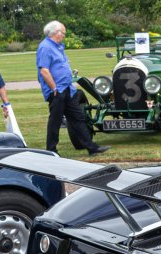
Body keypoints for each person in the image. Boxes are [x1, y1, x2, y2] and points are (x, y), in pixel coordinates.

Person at [36, 20, 109, 155]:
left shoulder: (58, 47)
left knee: (78, 118)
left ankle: (92, 148)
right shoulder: (45, 47)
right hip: (57, 91)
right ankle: (51, 150)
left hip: (68, 89)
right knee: (55, 121)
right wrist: (54, 89)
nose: (64, 36)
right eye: (63, 33)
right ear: (56, 33)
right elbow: (44, 71)